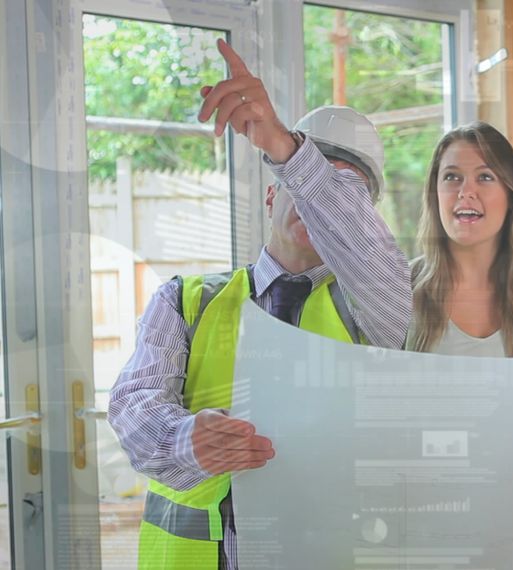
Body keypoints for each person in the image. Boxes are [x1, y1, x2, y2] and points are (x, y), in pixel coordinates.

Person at [108, 39, 411, 570]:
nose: (322, 208)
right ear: (273, 195)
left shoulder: (378, 315)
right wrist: (184, 438)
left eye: (346, 195)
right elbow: (133, 408)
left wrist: (289, 150)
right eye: (313, 181)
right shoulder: (184, 302)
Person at [405, 122, 513, 569]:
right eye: (451, 177)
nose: (465, 191)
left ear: (511, 194)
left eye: (485, 177)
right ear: (435, 193)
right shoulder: (399, 292)